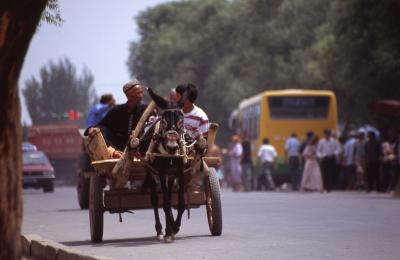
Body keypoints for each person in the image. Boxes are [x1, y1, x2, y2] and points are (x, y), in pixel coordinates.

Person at [85, 79, 148, 158]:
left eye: (141, 92)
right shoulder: (116, 111)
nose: (141, 96)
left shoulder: (146, 110)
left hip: (140, 152)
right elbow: (102, 126)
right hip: (118, 152)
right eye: (138, 93)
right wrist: (92, 129)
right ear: (129, 96)